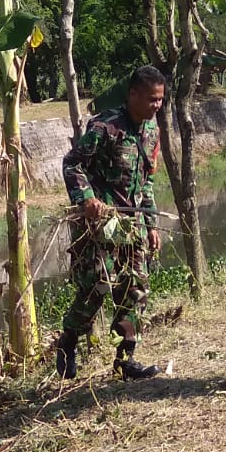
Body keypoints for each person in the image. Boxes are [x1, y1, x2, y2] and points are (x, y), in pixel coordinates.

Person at [55, 65, 166, 381]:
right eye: (151, 99)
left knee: (135, 289)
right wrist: (87, 197)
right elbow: (72, 163)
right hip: (99, 225)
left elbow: (145, 182)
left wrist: (152, 224)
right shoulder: (105, 127)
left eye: (160, 100)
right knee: (96, 289)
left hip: (132, 225)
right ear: (132, 94)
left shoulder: (151, 132)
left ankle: (125, 360)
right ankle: (69, 341)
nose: (156, 106)